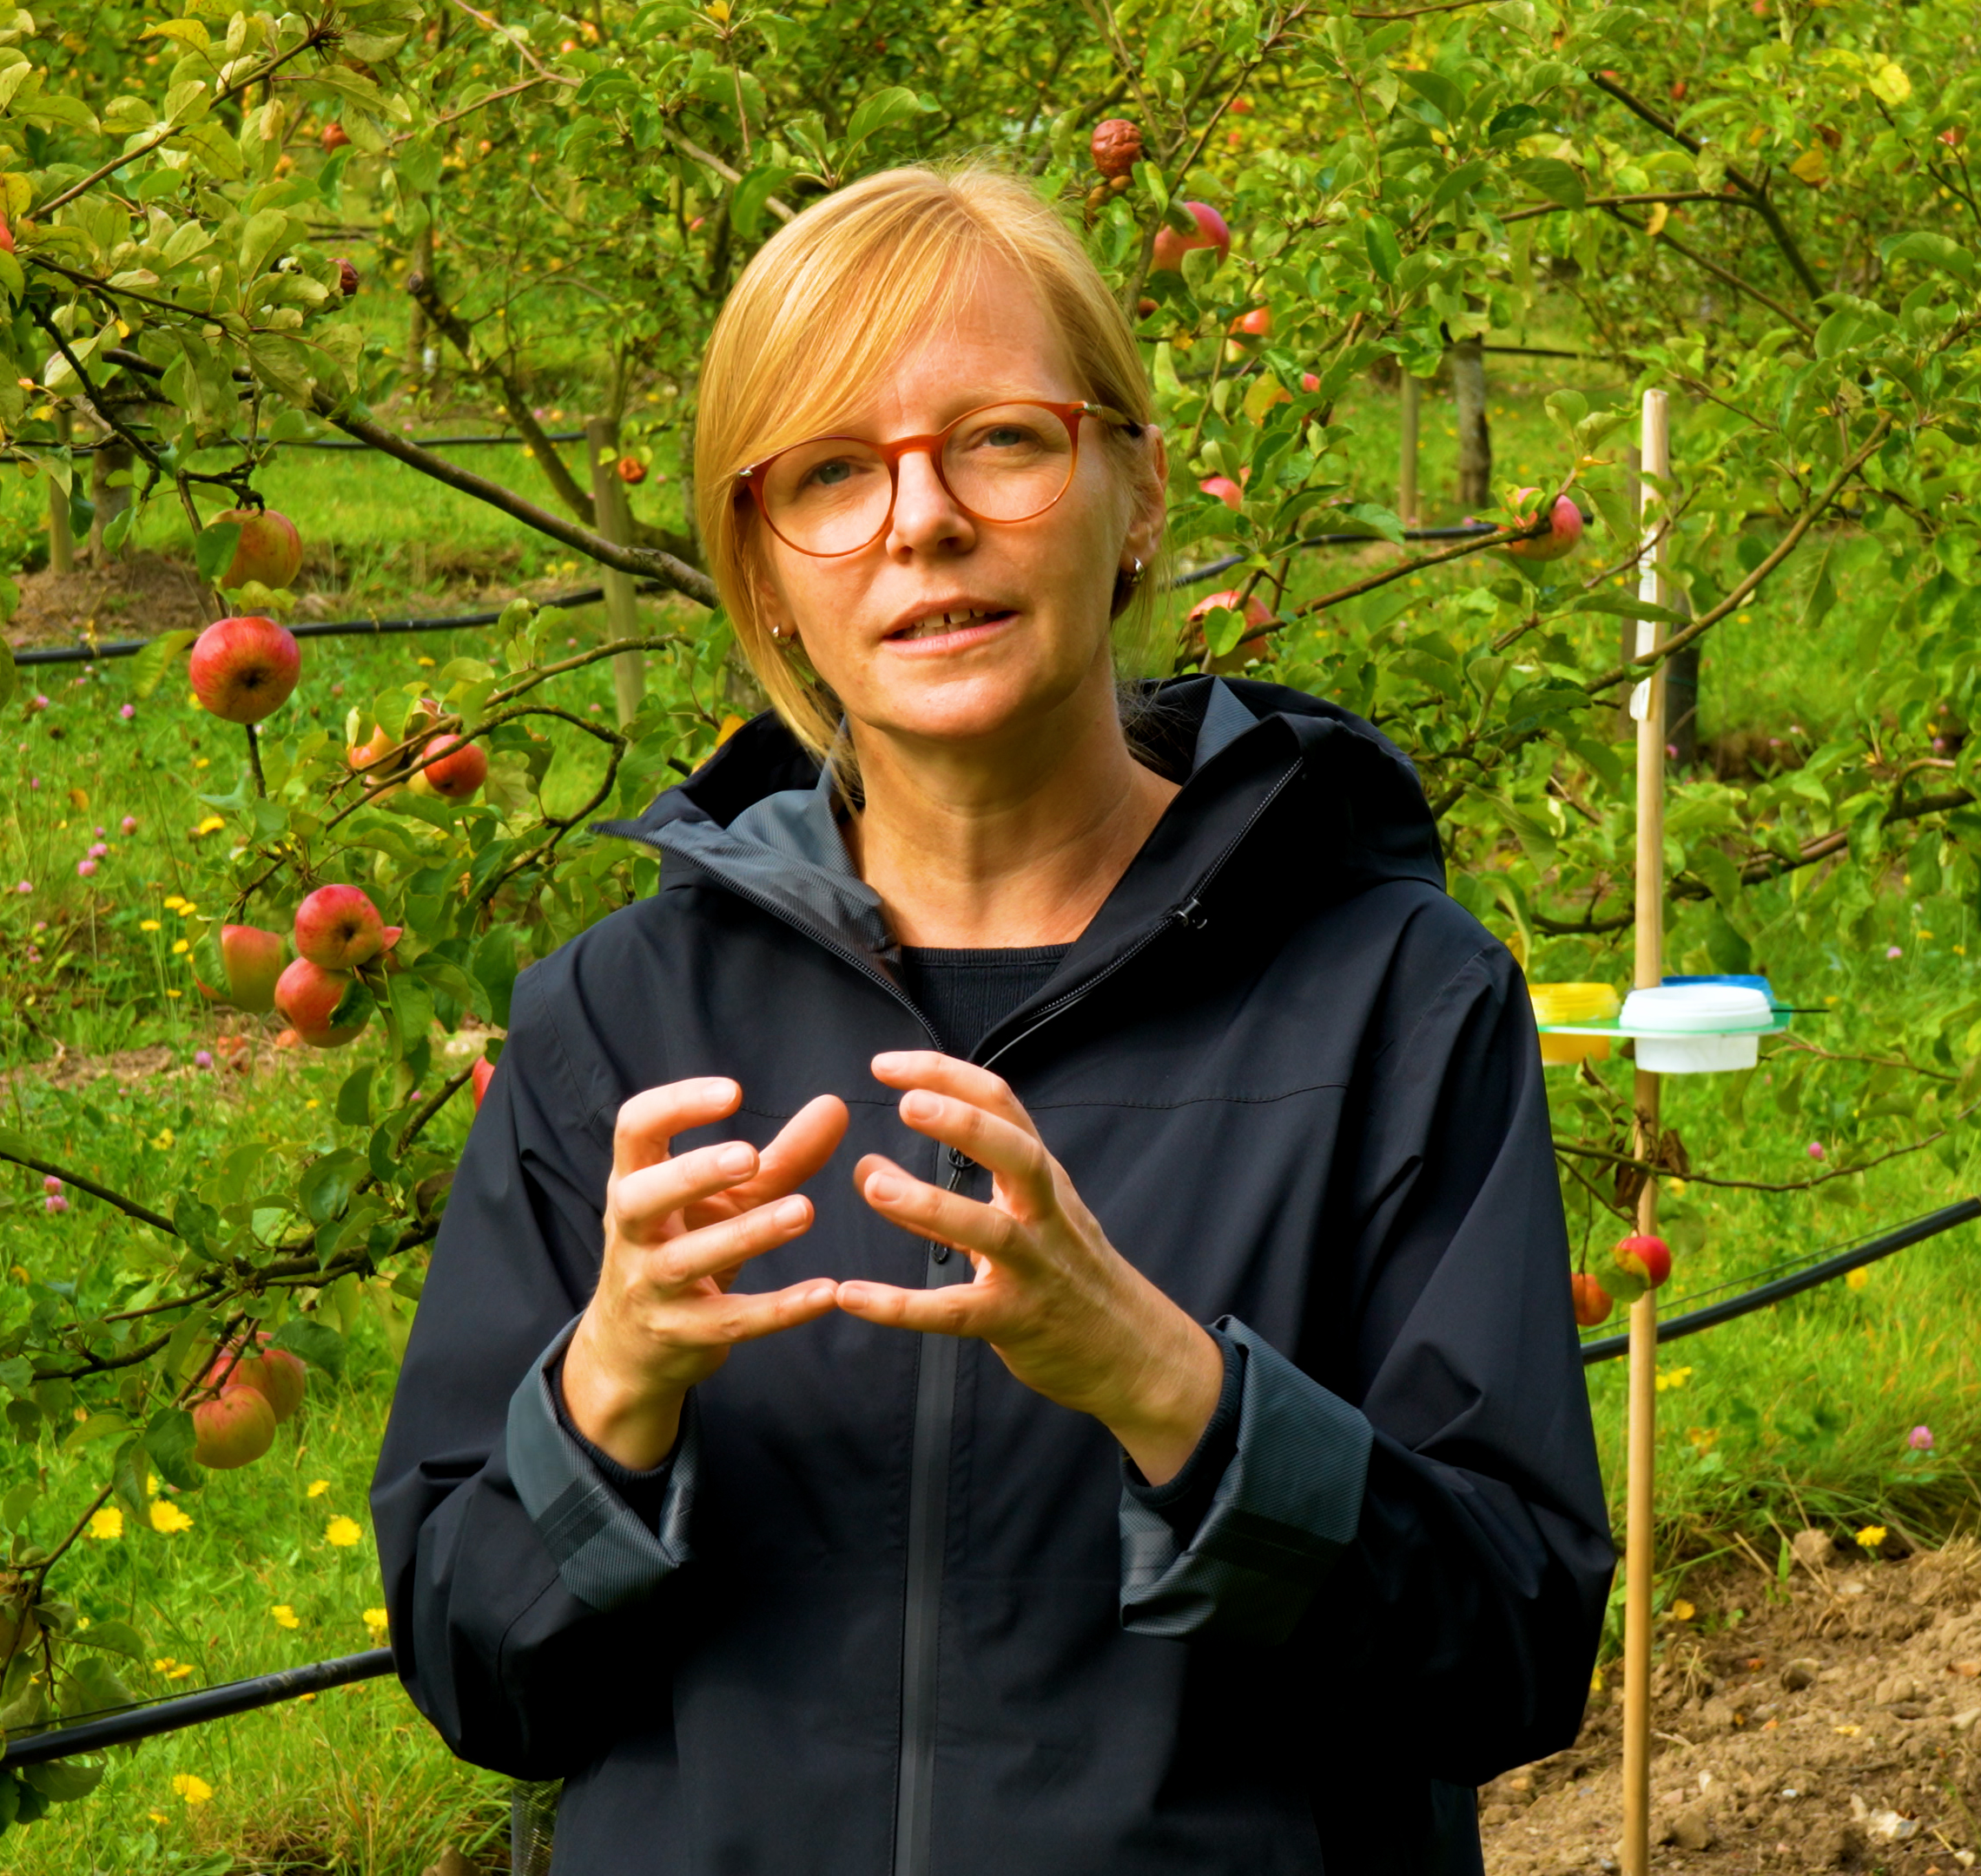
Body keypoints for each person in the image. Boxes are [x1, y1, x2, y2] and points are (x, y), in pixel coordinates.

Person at [371, 162, 1613, 1875]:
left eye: (1003, 441)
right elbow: (475, 1673)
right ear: (766, 573)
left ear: (1140, 492)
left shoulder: (1391, 998)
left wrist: (1170, 1388)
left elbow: (1516, 1648)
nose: (920, 518)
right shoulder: (617, 1024)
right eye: (828, 474)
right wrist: (611, 1386)